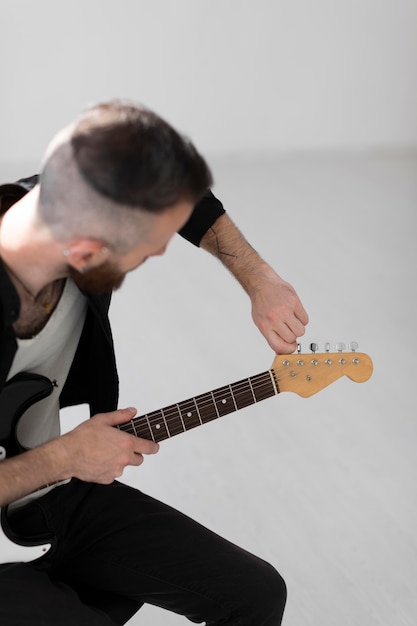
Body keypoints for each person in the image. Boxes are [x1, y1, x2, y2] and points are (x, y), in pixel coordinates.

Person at [0, 99, 308, 625]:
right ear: (84, 248)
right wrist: (66, 456)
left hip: (40, 488)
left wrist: (258, 278)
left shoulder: (57, 198)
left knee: (253, 593)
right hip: (47, 467)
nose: (159, 254)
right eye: (143, 250)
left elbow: (184, 197)